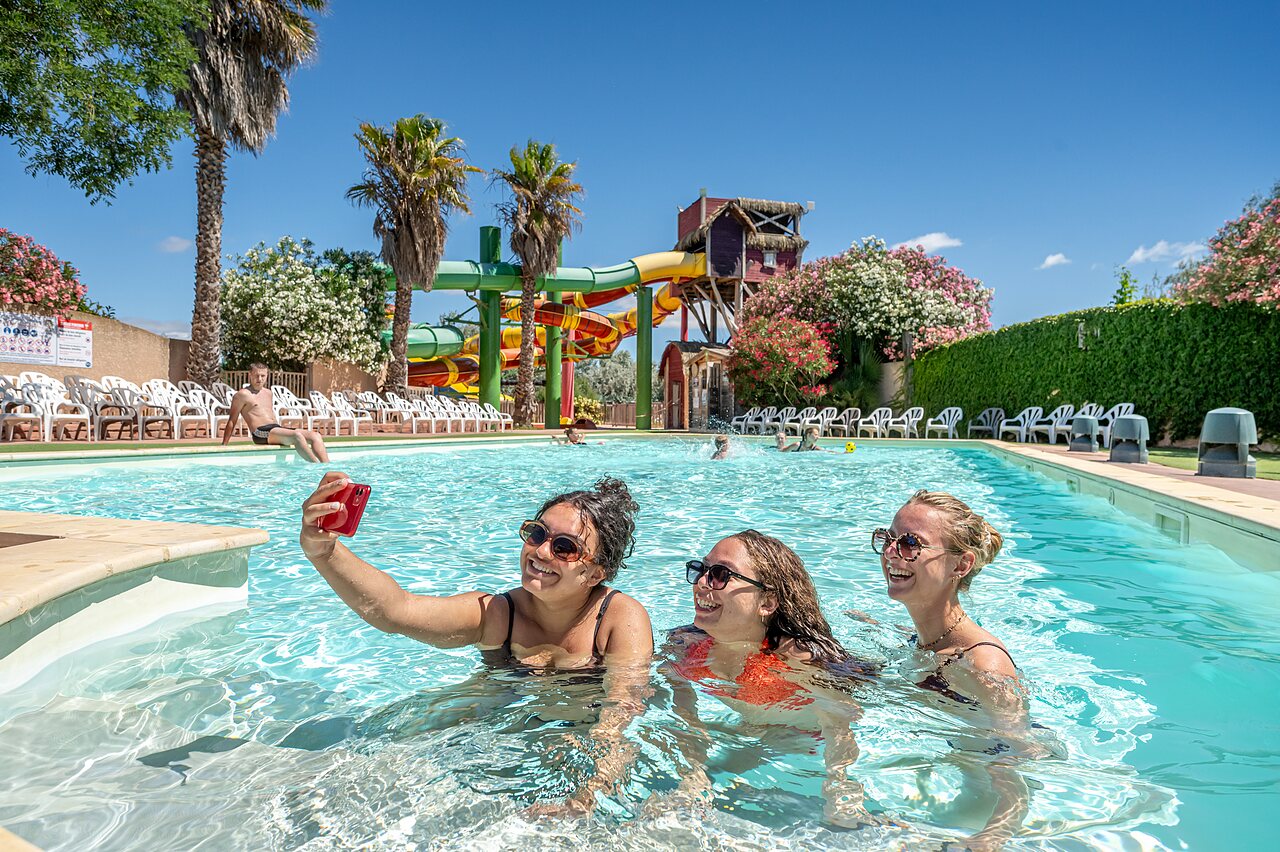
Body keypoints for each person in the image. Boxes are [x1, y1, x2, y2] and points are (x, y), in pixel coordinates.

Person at [299, 472, 653, 814]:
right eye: (537, 533)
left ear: (594, 573)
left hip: (578, 736)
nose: (542, 552)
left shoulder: (619, 619)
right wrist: (324, 552)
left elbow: (619, 715)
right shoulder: (498, 613)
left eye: (565, 548)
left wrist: (587, 795)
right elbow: (396, 611)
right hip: (498, 723)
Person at [660, 530, 883, 827]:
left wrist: (840, 790)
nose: (701, 583)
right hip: (757, 726)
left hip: (805, 738)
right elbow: (684, 714)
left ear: (767, 602)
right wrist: (692, 776)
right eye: (701, 570)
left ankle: (874, 625)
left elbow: (840, 719)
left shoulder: (795, 657)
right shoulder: (685, 645)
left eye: (720, 574)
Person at [874, 489, 1030, 848]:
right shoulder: (927, 639)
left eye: (911, 543)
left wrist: (989, 840)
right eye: (888, 538)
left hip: (974, 815)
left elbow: (1019, 758)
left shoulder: (981, 663)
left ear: (960, 565)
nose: (891, 553)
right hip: (941, 796)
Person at [221, 363, 329, 462]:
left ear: (267, 375)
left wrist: (281, 431)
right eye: (256, 375)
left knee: (315, 436)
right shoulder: (242, 394)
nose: (259, 379)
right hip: (260, 433)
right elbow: (232, 420)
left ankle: (327, 467)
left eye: (263, 376)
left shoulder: (268, 393)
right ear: (250, 375)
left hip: (276, 429)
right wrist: (224, 445)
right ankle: (316, 467)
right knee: (297, 436)